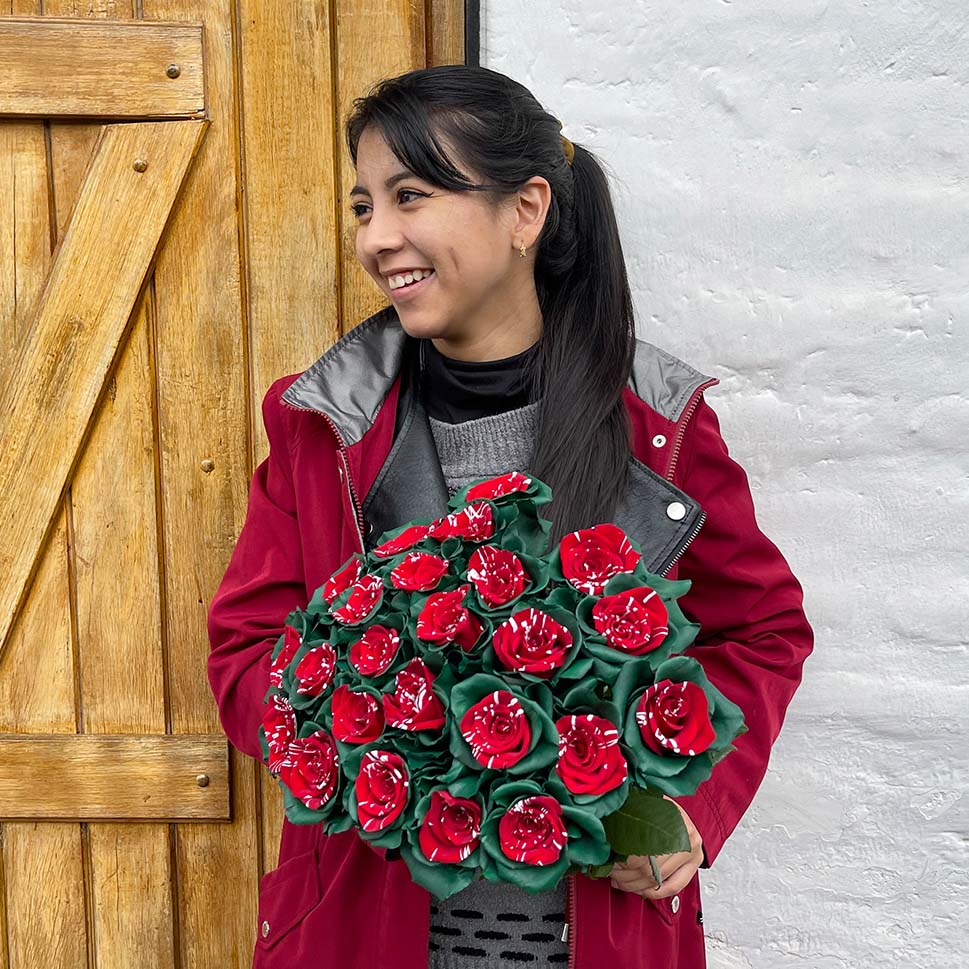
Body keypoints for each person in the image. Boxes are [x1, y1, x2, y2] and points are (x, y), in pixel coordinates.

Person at [206, 64, 813, 969]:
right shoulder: (321, 427)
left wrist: (690, 805)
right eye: (364, 205)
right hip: (360, 927)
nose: (377, 236)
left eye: (410, 195)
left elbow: (760, 628)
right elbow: (247, 647)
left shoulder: (658, 430)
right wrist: (358, 726)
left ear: (525, 210)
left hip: (599, 934)